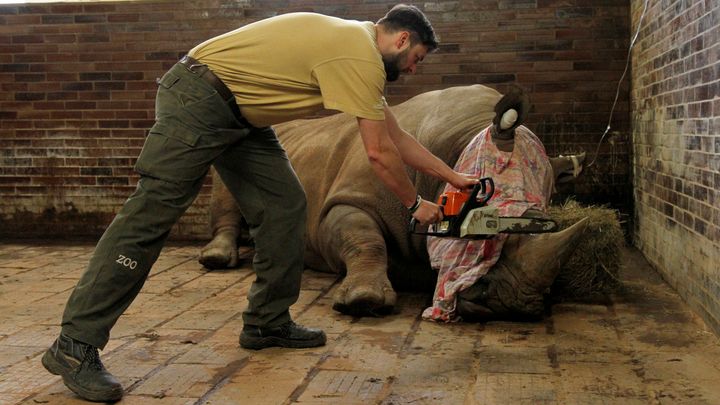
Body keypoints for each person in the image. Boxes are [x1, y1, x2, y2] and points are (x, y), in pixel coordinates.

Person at [41, 4, 477, 402]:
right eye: (418, 58)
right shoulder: (357, 54)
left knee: (285, 204)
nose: (416, 69)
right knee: (151, 215)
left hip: (243, 116)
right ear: (401, 40)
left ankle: (267, 322)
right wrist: (414, 202)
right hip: (199, 97)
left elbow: (397, 138)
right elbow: (379, 154)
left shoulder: (357, 53)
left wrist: (456, 177)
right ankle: (74, 346)